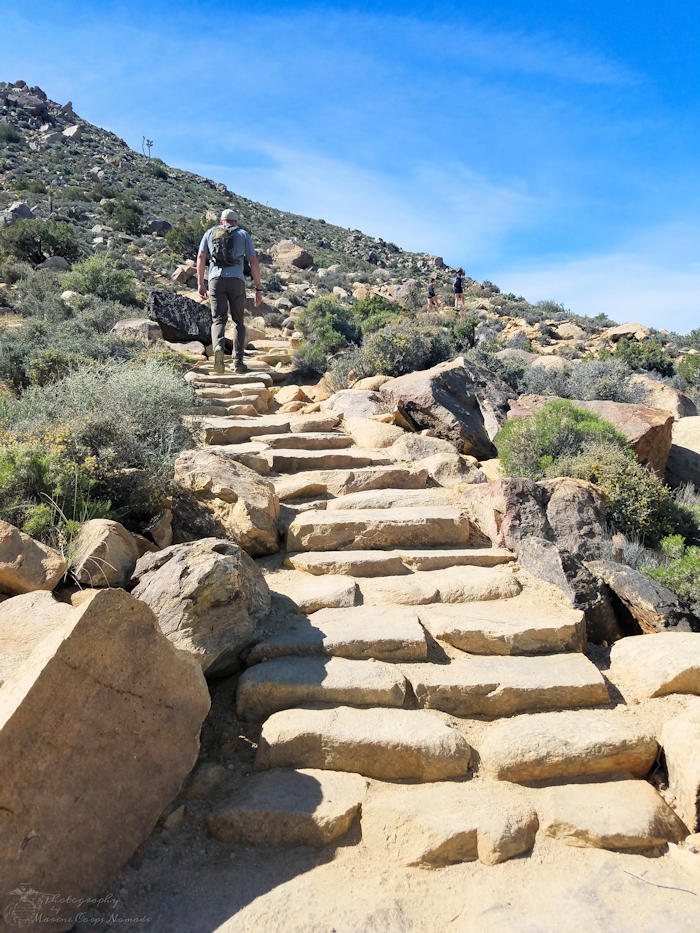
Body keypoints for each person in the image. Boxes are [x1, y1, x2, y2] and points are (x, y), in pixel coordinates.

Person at [197, 209, 263, 373]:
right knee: (238, 322)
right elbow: (253, 261)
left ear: (221, 221)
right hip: (236, 281)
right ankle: (238, 363)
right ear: (236, 221)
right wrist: (258, 287)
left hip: (215, 280)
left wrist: (200, 283)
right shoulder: (243, 234)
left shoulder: (210, 232)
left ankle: (218, 348)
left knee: (218, 319)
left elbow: (200, 257)